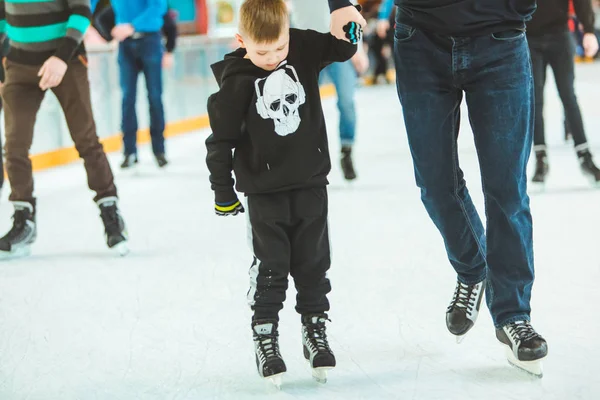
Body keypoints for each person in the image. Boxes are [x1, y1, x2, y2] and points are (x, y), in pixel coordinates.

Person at [329, 1, 548, 377]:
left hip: (501, 37)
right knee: (434, 183)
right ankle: (472, 263)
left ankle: (513, 314)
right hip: (421, 40)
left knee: (506, 189)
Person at [205, 0, 358, 385]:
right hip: (264, 192)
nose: (273, 58)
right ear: (242, 41)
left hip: (310, 183)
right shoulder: (236, 80)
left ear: (288, 34)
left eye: (279, 48)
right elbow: (220, 142)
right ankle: (265, 336)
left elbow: (341, 49)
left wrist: (351, 25)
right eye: (261, 51)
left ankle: (314, 329)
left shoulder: (302, 47)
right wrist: (223, 191)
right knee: (271, 266)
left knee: (313, 262)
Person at [0, 0, 128, 259]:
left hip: (66, 60)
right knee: (14, 145)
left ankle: (110, 212)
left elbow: (82, 12)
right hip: (18, 64)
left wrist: (60, 57)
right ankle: (24, 220)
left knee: (86, 141)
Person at [290, 0, 369, 181]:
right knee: (302, 105)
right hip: (305, 48)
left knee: (347, 102)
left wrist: (359, 50)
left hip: (338, 43)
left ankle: (346, 150)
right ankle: (304, 155)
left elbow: (351, 8)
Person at [527, 0, 600, 186]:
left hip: (559, 33)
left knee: (568, 96)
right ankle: (540, 157)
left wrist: (589, 30)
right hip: (528, 36)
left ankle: (585, 156)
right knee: (535, 100)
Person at [111, 0, 169, 169]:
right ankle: (129, 152)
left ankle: (159, 150)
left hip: (150, 41)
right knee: (127, 98)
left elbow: (159, 6)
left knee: (155, 97)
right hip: (125, 45)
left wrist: (132, 25)